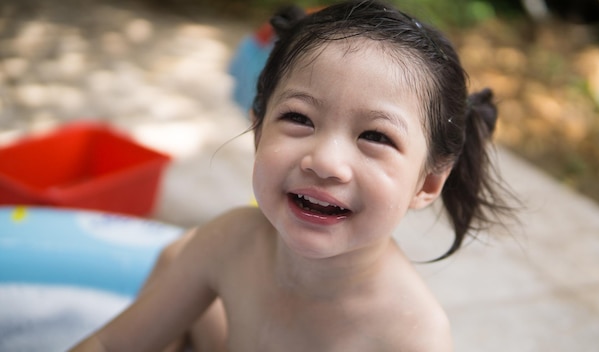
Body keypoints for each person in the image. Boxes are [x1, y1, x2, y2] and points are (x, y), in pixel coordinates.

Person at [71, 1, 514, 351]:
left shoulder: (409, 334)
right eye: (300, 118)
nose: (324, 161)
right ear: (258, 130)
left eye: (375, 136)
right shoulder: (229, 243)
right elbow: (111, 344)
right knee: (174, 257)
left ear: (428, 184)